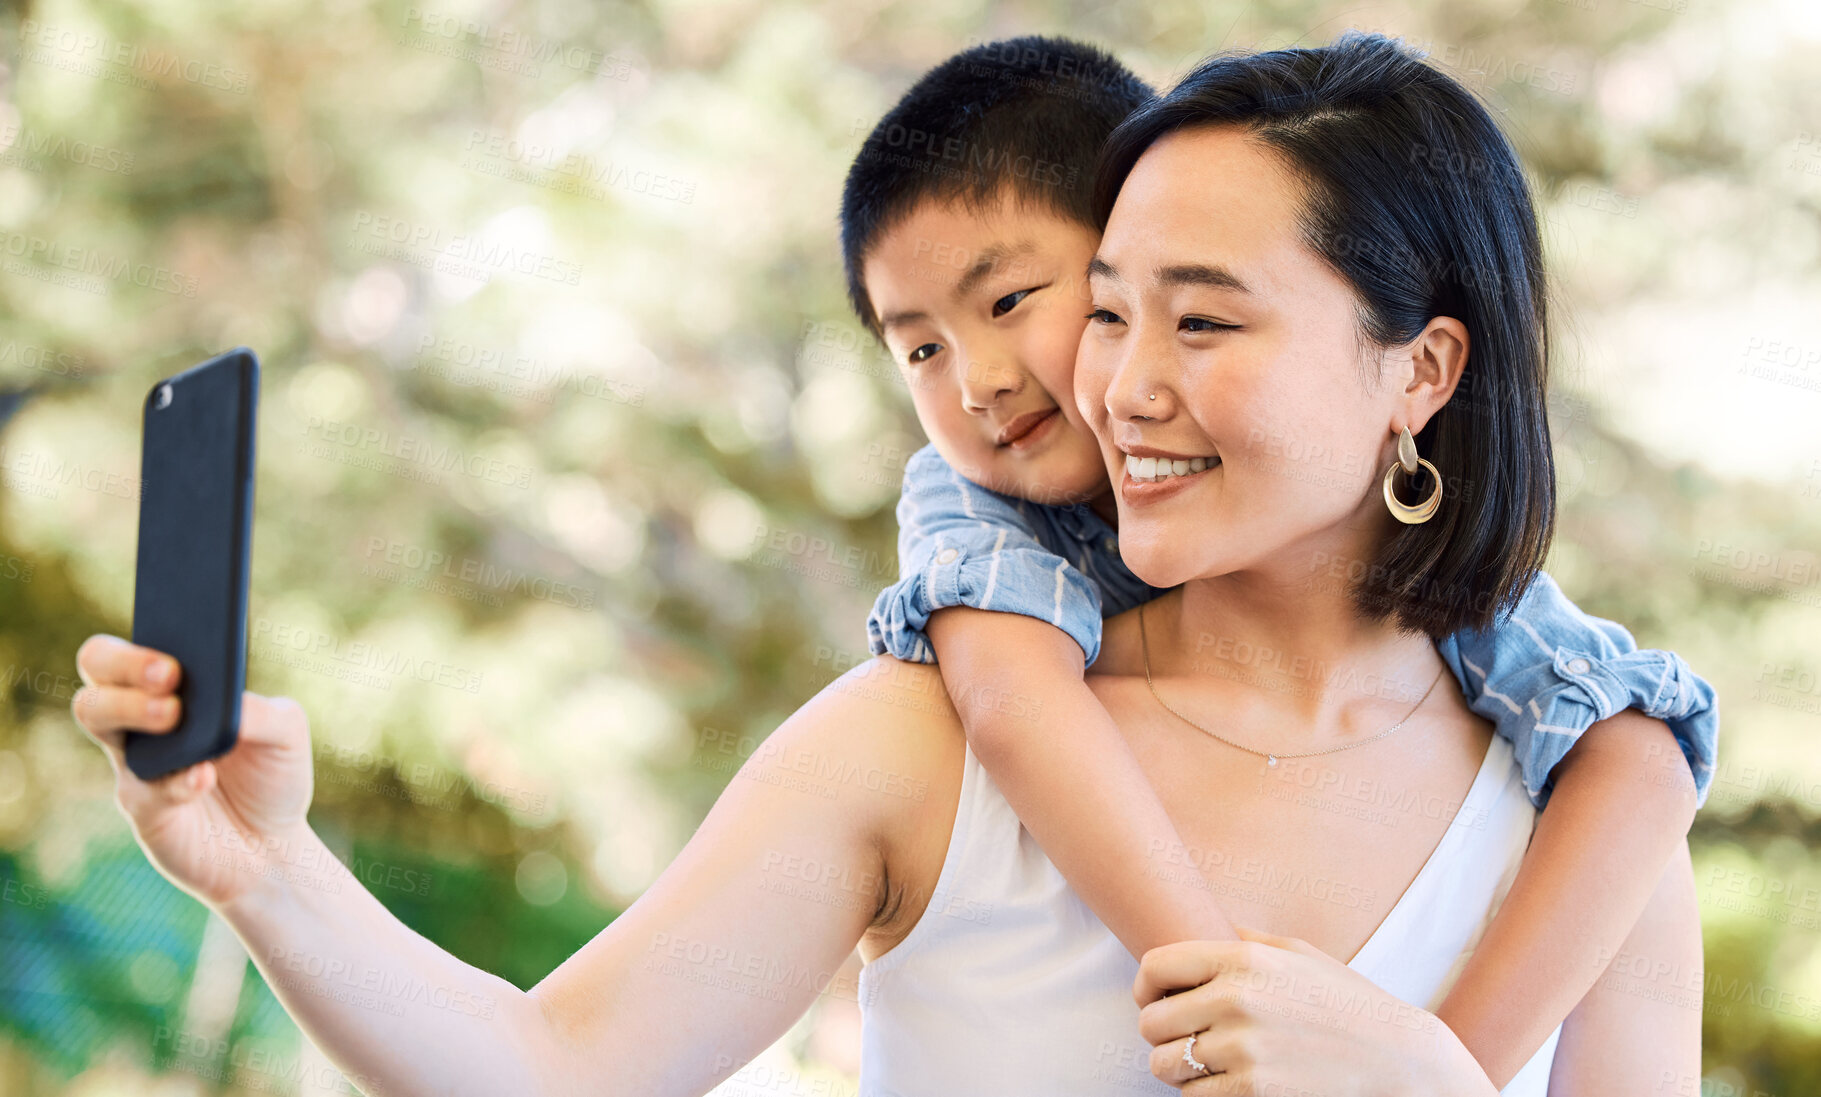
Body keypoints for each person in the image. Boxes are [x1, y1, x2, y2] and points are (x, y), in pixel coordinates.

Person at [69, 33, 1705, 1097]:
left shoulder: (1578, 818)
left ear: (1419, 371)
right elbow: (555, 1067)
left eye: (1203, 319)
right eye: (1113, 304)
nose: (1118, 383)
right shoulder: (921, 731)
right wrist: (266, 869)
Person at [850, 34, 1714, 1088]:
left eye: (1200, 316)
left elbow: (1642, 754)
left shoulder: (1506, 702)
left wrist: (1434, 1072)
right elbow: (1008, 701)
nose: (984, 381)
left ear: (1424, 371)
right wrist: (1220, 999)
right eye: (920, 349)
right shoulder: (957, 557)